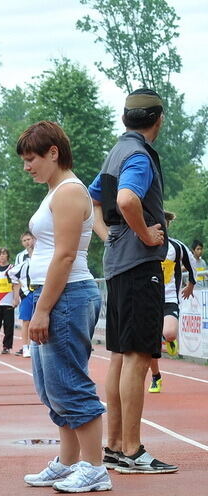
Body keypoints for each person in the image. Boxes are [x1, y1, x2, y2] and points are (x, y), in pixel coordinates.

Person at [18, 121, 111, 493]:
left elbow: (67, 254)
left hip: (68, 296)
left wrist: (42, 309)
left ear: (53, 153)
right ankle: (69, 461)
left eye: (32, 158)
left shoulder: (70, 192)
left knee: (69, 383)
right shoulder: (54, 191)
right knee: (50, 386)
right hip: (55, 295)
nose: (27, 167)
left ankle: (95, 467)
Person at [89, 88, 176, 474]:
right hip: (140, 267)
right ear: (158, 119)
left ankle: (113, 446)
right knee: (139, 358)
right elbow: (126, 200)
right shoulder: (139, 155)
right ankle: (132, 449)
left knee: (120, 357)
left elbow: (95, 201)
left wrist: (111, 236)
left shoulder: (116, 151)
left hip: (117, 266)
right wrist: (144, 234)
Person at [147, 212, 197, 393]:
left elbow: (191, 263)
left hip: (169, 299)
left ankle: (167, 337)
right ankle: (156, 376)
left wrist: (191, 284)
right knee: (149, 345)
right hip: (149, 300)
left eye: (164, 222)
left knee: (169, 333)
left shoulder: (176, 246)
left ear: (167, 224)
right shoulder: (145, 244)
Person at [11, 231, 36, 357]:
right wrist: (16, 296)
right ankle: (25, 347)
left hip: (39, 290)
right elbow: (16, 277)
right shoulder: (20, 257)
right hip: (26, 292)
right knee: (26, 320)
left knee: (38, 319)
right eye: (24, 240)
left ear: (33, 239)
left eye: (29, 239)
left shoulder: (40, 253)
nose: (27, 242)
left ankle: (35, 346)